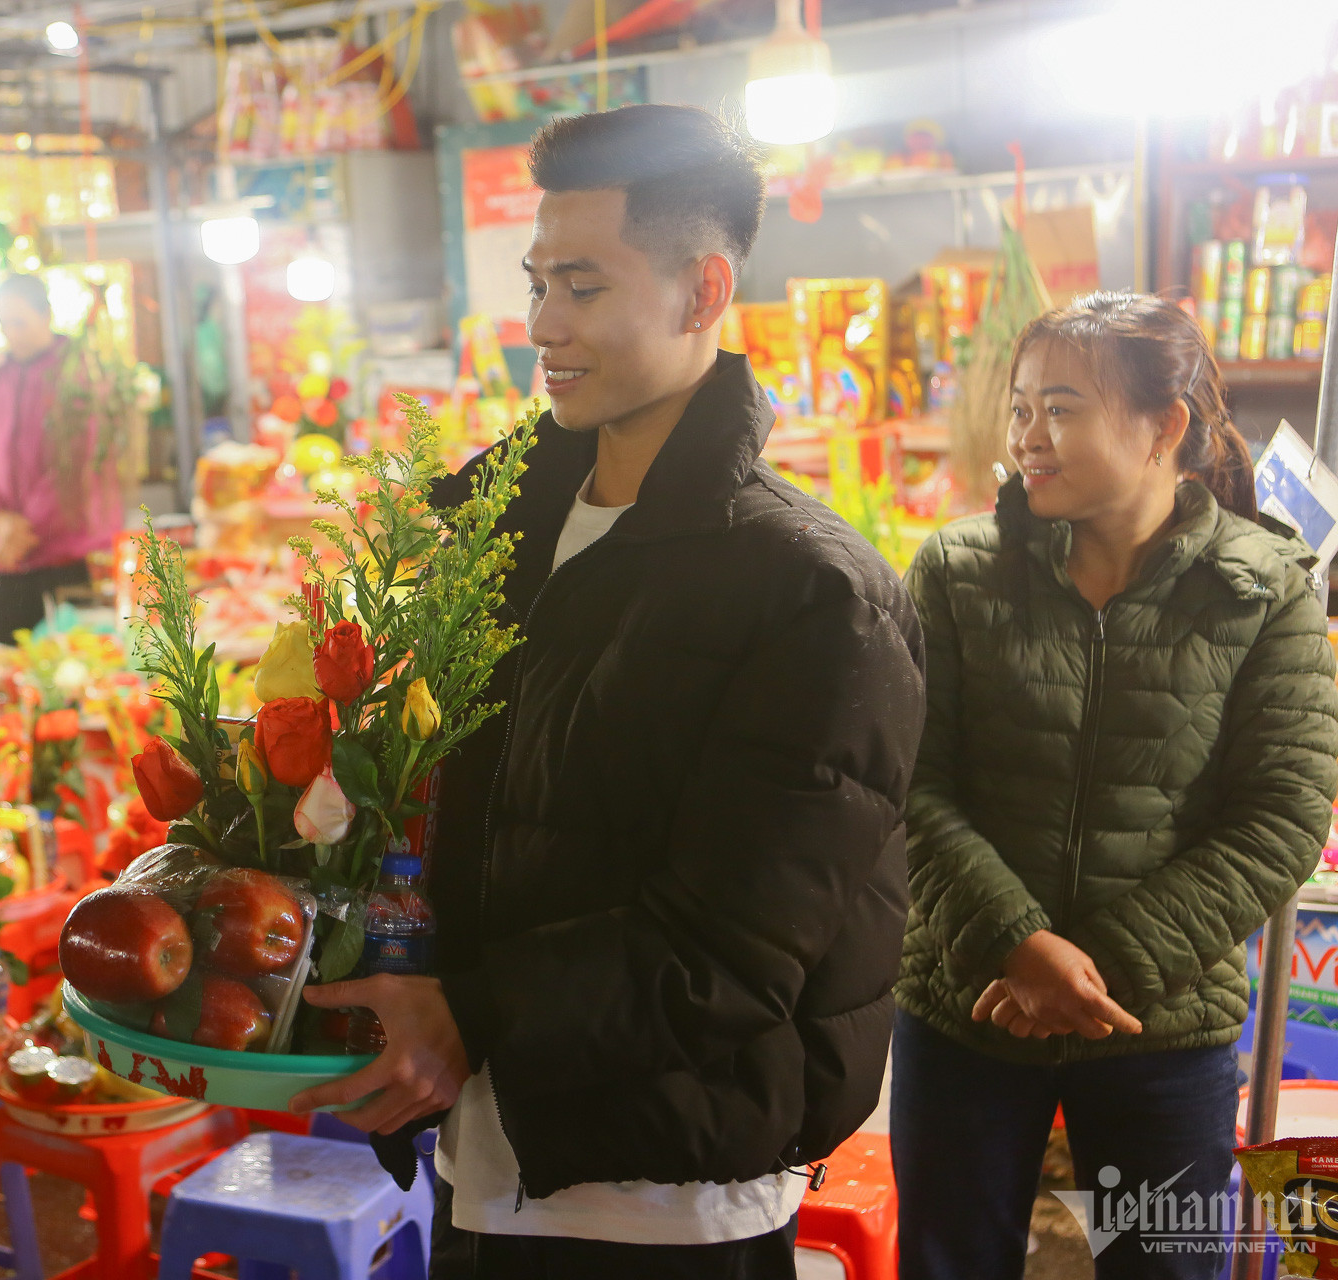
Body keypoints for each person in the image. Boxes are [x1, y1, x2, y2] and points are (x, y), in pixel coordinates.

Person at [289, 103, 927, 1279]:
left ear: (702, 291)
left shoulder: (813, 592)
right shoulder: (496, 538)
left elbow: (736, 949)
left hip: (661, 1199)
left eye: (581, 286)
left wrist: (474, 1011)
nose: (543, 324)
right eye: (538, 283)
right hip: (483, 1154)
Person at [892, 292, 1338, 1280]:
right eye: (1021, 408)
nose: (1027, 436)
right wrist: (1017, 944)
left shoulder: (1261, 589)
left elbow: (1282, 815)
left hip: (1160, 1025)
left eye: (1061, 409)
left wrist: (1097, 968)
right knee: (947, 1261)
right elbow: (909, 779)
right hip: (968, 1003)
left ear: (1164, 426)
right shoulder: (957, 570)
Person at [0, 273, 123, 642]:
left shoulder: (78, 376)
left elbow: (78, 463)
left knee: (77, 665)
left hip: (67, 558)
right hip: (10, 558)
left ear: (46, 315)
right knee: (1, 661)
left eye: (19, 322)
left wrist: (24, 529)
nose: (11, 333)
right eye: (4, 323)